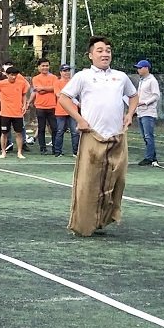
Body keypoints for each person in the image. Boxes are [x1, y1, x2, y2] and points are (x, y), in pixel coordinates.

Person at [58, 36, 138, 236]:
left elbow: (133, 95)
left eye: (108, 50)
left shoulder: (120, 77)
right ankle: (84, 224)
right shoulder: (83, 76)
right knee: (88, 182)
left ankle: (103, 220)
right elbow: (64, 98)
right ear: (90, 55)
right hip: (93, 135)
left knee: (116, 180)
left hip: (117, 136)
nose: (105, 54)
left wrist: (129, 114)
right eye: (100, 50)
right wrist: (80, 119)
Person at [0, 67, 30, 159]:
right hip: (5, 113)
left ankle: (19, 152)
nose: (13, 77)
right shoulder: (1, 83)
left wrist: (24, 105)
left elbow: (23, 94)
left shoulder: (21, 83)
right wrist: (0, 98)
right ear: (7, 75)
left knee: (19, 133)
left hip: (18, 113)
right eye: (11, 75)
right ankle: (3, 152)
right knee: (4, 133)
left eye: (15, 75)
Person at [133, 59, 160, 166]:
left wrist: (145, 102)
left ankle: (149, 158)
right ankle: (152, 158)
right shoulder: (142, 81)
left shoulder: (152, 80)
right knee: (145, 136)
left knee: (148, 136)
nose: (138, 70)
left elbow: (156, 95)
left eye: (140, 68)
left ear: (146, 68)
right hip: (141, 112)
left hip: (148, 112)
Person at [31, 58, 59, 155]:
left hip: (52, 106)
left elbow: (55, 88)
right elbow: (38, 90)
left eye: (47, 65)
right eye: (43, 66)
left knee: (54, 128)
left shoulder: (54, 78)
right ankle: (43, 148)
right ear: (39, 67)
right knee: (41, 128)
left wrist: (43, 88)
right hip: (40, 106)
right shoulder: (35, 78)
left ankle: (56, 148)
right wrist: (48, 89)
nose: (45, 67)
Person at [52, 64, 79, 158]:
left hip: (73, 110)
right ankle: (57, 152)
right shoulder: (57, 82)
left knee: (75, 132)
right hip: (60, 110)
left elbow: (77, 94)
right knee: (60, 131)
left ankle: (76, 152)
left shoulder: (74, 82)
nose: (67, 72)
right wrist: (70, 96)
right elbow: (58, 94)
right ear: (61, 72)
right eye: (64, 71)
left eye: (68, 70)